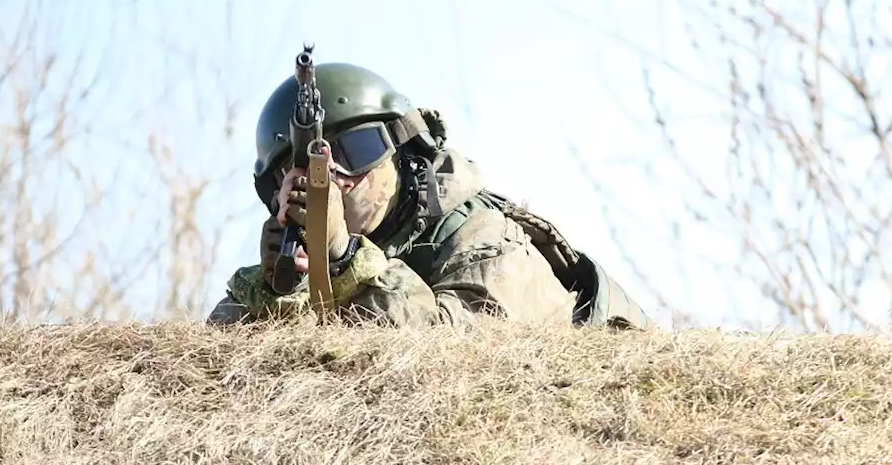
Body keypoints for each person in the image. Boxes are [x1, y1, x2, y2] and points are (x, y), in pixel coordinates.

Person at [206, 60, 653, 329]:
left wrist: (344, 260)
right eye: (300, 170)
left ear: (401, 152)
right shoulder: (294, 255)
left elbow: (449, 361)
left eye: (358, 151)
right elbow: (218, 373)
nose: (336, 179)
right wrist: (279, 289)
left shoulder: (481, 235)